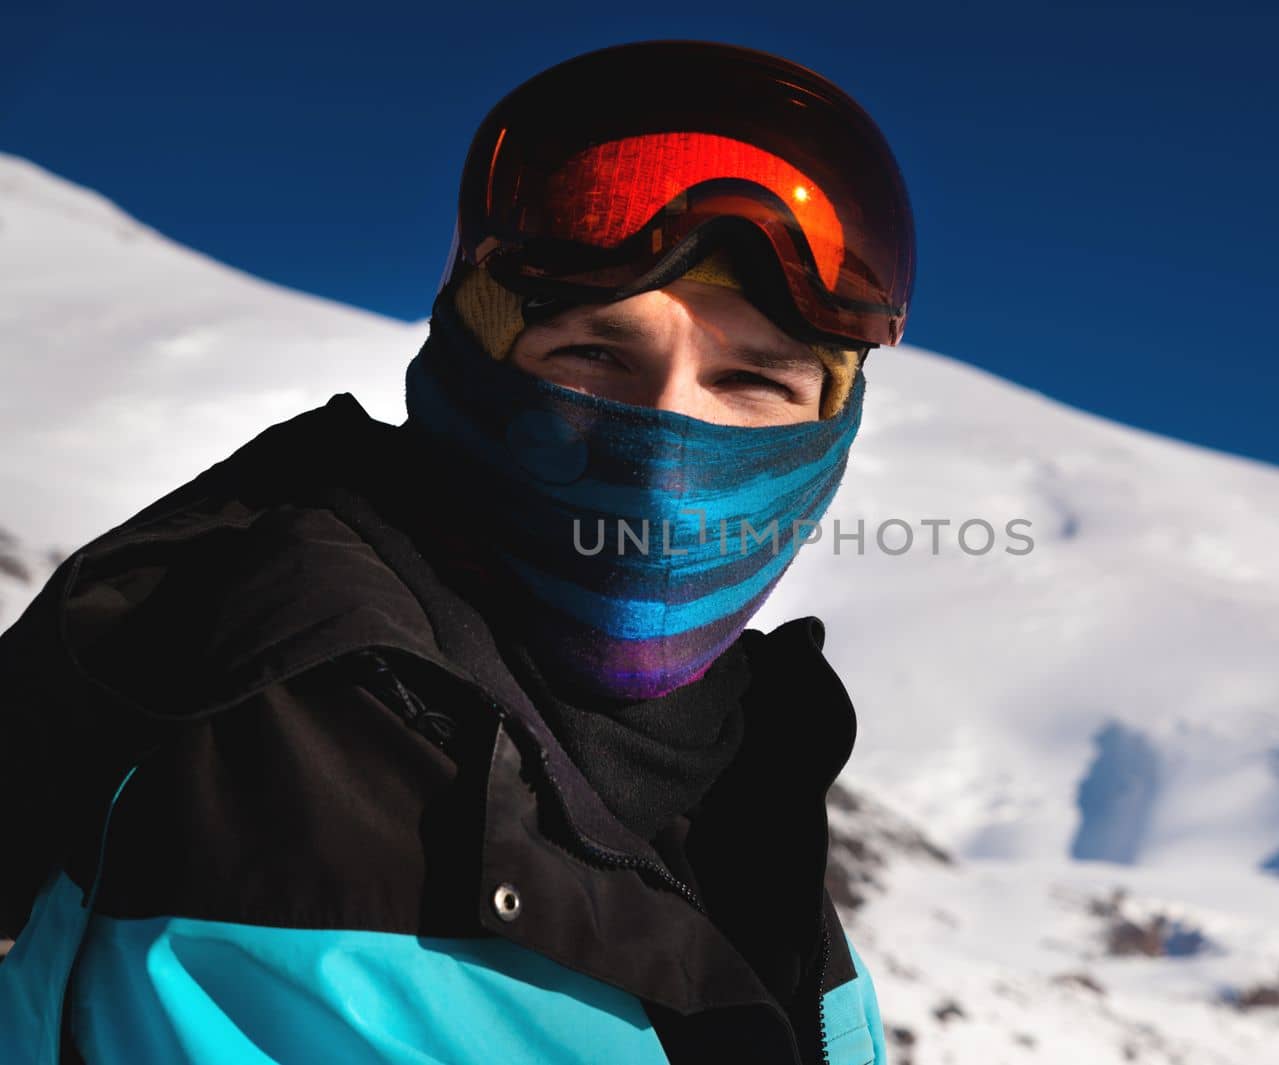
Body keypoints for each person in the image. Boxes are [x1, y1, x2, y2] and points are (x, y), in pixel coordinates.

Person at [0, 38, 915, 1065]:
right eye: (593, 354)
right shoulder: (212, 715)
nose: (664, 456)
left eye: (754, 384)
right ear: (474, 364)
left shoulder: (753, 794)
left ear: (828, 432)